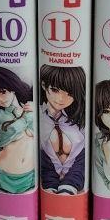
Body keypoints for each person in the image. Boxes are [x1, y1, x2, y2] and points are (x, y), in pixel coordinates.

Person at [38, 65, 86, 195]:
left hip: (76, 172)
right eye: (55, 90)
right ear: (44, 85)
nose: (61, 99)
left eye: (70, 93)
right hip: (47, 173)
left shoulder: (81, 116)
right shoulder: (37, 113)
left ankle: (68, 186)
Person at [0, 66, 35, 194]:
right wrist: (24, 120)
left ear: (12, 88)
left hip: (31, 175)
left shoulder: (28, 106)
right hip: (4, 174)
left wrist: (34, 113)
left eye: (3, 92)